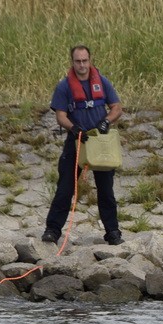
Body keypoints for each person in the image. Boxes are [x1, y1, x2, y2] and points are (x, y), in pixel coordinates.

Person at [42, 44, 124, 245]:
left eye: (85, 61)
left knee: (106, 190)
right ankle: (52, 231)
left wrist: (106, 122)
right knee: (65, 189)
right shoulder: (64, 87)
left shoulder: (102, 82)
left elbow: (116, 108)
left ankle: (113, 232)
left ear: (90, 60)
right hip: (77, 141)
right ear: (72, 62)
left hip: (99, 141)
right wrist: (73, 128)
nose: (82, 65)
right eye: (78, 61)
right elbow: (60, 115)